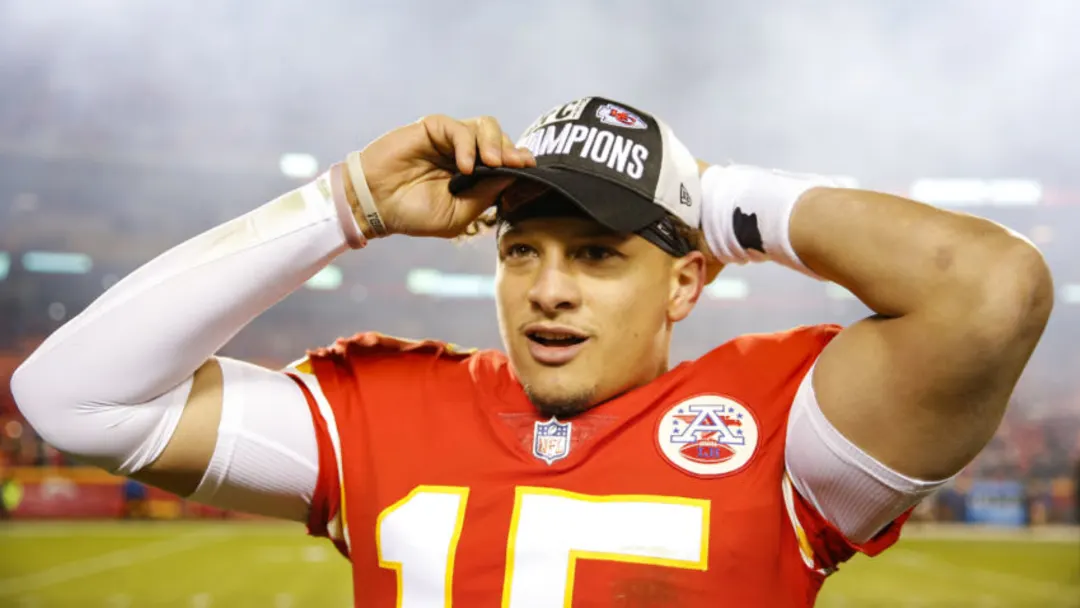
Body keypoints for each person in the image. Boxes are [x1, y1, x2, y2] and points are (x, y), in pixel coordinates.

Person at [10, 97, 1052, 606]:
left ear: (686, 281)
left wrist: (717, 198)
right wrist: (344, 204)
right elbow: (75, 399)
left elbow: (993, 290)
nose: (549, 287)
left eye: (598, 254)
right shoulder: (386, 404)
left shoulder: (782, 430)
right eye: (523, 251)